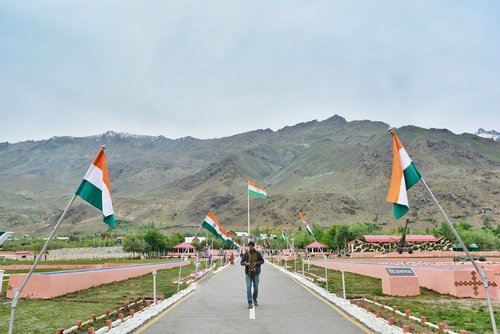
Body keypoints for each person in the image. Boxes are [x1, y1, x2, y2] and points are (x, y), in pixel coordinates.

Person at [240, 241, 264, 309]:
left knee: (256, 287)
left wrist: (256, 263)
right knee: (248, 288)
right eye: (249, 247)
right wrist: (245, 264)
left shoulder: (258, 253)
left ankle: (255, 299)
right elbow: (241, 262)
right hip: (248, 274)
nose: (250, 248)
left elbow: (262, 261)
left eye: (251, 246)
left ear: (254, 246)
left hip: (256, 273)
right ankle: (250, 302)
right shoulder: (246, 254)